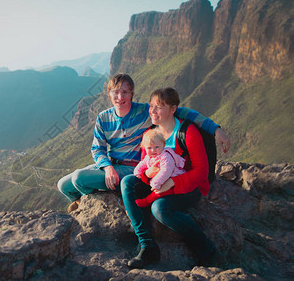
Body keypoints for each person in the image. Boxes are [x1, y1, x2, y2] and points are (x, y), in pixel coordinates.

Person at [57, 73, 230, 213]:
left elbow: (182, 111)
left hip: (133, 168)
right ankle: (83, 200)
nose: (120, 97)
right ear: (109, 93)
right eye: (116, 92)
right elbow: (97, 148)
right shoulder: (103, 117)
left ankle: (102, 200)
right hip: (111, 166)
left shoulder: (144, 112)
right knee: (63, 185)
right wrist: (107, 167)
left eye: (125, 92)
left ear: (132, 94)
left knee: (79, 178)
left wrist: (216, 129)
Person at [121, 87, 221, 269]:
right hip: (158, 184)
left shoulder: (188, 132)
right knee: (127, 182)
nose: (152, 111)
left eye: (159, 107)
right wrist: (146, 174)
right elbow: (144, 164)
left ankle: (206, 249)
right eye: (151, 106)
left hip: (189, 186)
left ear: (173, 109)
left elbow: (201, 172)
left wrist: (173, 182)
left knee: (159, 209)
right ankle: (148, 247)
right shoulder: (149, 134)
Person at [133, 128, 186, 208]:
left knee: (159, 192)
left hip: (173, 179)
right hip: (161, 180)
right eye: (149, 148)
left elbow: (166, 171)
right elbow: (142, 164)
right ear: (144, 148)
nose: (153, 150)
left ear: (163, 145)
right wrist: (137, 172)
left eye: (157, 147)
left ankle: (147, 201)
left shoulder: (165, 156)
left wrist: (155, 182)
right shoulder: (149, 157)